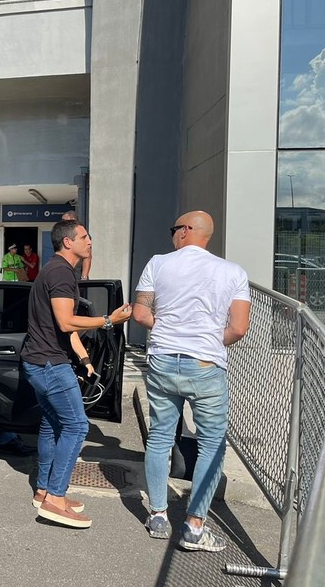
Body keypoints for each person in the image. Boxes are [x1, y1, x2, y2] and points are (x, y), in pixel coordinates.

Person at [133, 210, 251, 552]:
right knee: (211, 444)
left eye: (174, 229)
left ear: (186, 231)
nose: (172, 234)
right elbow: (239, 328)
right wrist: (209, 343)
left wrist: (170, 332)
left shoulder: (157, 263)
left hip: (163, 361)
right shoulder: (233, 272)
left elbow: (141, 313)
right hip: (206, 364)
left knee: (159, 437)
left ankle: (157, 515)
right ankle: (195, 526)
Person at [21, 219, 132, 528]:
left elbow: (62, 329)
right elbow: (67, 322)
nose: (90, 241)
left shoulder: (57, 272)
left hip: (38, 361)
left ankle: (44, 490)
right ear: (67, 242)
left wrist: (85, 359)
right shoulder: (60, 273)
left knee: (53, 423)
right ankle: (56, 498)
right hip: (49, 364)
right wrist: (108, 320)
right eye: (84, 236)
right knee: (77, 426)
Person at [61, 211, 91, 279]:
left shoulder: (83, 235)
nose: (62, 223)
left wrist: (84, 278)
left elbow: (87, 258)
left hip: (77, 276)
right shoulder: (63, 235)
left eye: (65, 220)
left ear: (73, 220)